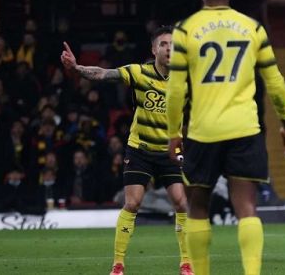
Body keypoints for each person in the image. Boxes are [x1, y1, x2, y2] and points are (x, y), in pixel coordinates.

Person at [165, 0, 285, 275]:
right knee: (246, 206)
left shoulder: (184, 30)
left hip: (203, 131)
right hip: (244, 128)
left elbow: (175, 89)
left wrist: (173, 133)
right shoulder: (253, 28)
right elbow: (275, 81)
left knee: (198, 206)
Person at [60, 26, 193, 275]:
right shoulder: (139, 72)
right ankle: (118, 265)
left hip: (170, 150)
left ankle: (186, 264)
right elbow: (103, 73)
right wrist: (77, 68)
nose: (169, 49)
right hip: (140, 149)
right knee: (132, 203)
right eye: (163, 44)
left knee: (182, 203)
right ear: (154, 50)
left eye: (173, 45)